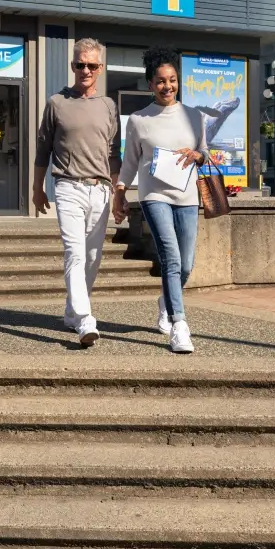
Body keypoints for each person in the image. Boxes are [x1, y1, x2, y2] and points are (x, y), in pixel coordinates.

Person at [112, 47, 207, 354]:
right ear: (150, 84)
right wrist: (121, 191)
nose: (168, 86)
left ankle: (166, 300)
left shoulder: (194, 116)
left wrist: (197, 155)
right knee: (171, 257)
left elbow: (204, 153)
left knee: (187, 264)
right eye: (161, 81)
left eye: (173, 80)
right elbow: (130, 162)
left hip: (187, 195)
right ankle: (179, 325)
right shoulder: (139, 120)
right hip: (154, 195)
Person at [33, 38, 121, 347]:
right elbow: (43, 147)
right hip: (68, 186)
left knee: (94, 256)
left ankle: (71, 311)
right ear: (73, 66)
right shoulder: (57, 102)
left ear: (100, 68)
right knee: (75, 252)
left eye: (92, 65)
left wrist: (118, 192)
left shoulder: (109, 106)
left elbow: (114, 153)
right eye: (80, 64)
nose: (85, 70)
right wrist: (37, 189)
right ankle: (85, 319)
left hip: (100, 190)